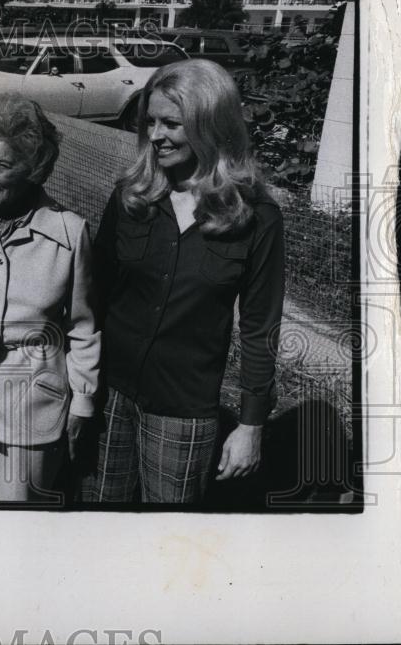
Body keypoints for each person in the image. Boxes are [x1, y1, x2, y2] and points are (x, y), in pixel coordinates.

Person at [81, 59, 285, 505]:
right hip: (107, 395)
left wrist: (250, 426)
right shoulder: (130, 198)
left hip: (183, 410)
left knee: (170, 543)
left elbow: (259, 327)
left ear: (210, 125)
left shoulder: (257, 217)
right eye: (150, 122)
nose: (155, 136)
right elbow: (91, 299)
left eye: (170, 123)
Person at [0, 94, 101, 505]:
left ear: (32, 168)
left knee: (23, 518)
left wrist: (82, 402)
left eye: (2, 165)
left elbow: (83, 327)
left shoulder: (68, 232)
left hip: (37, 402)